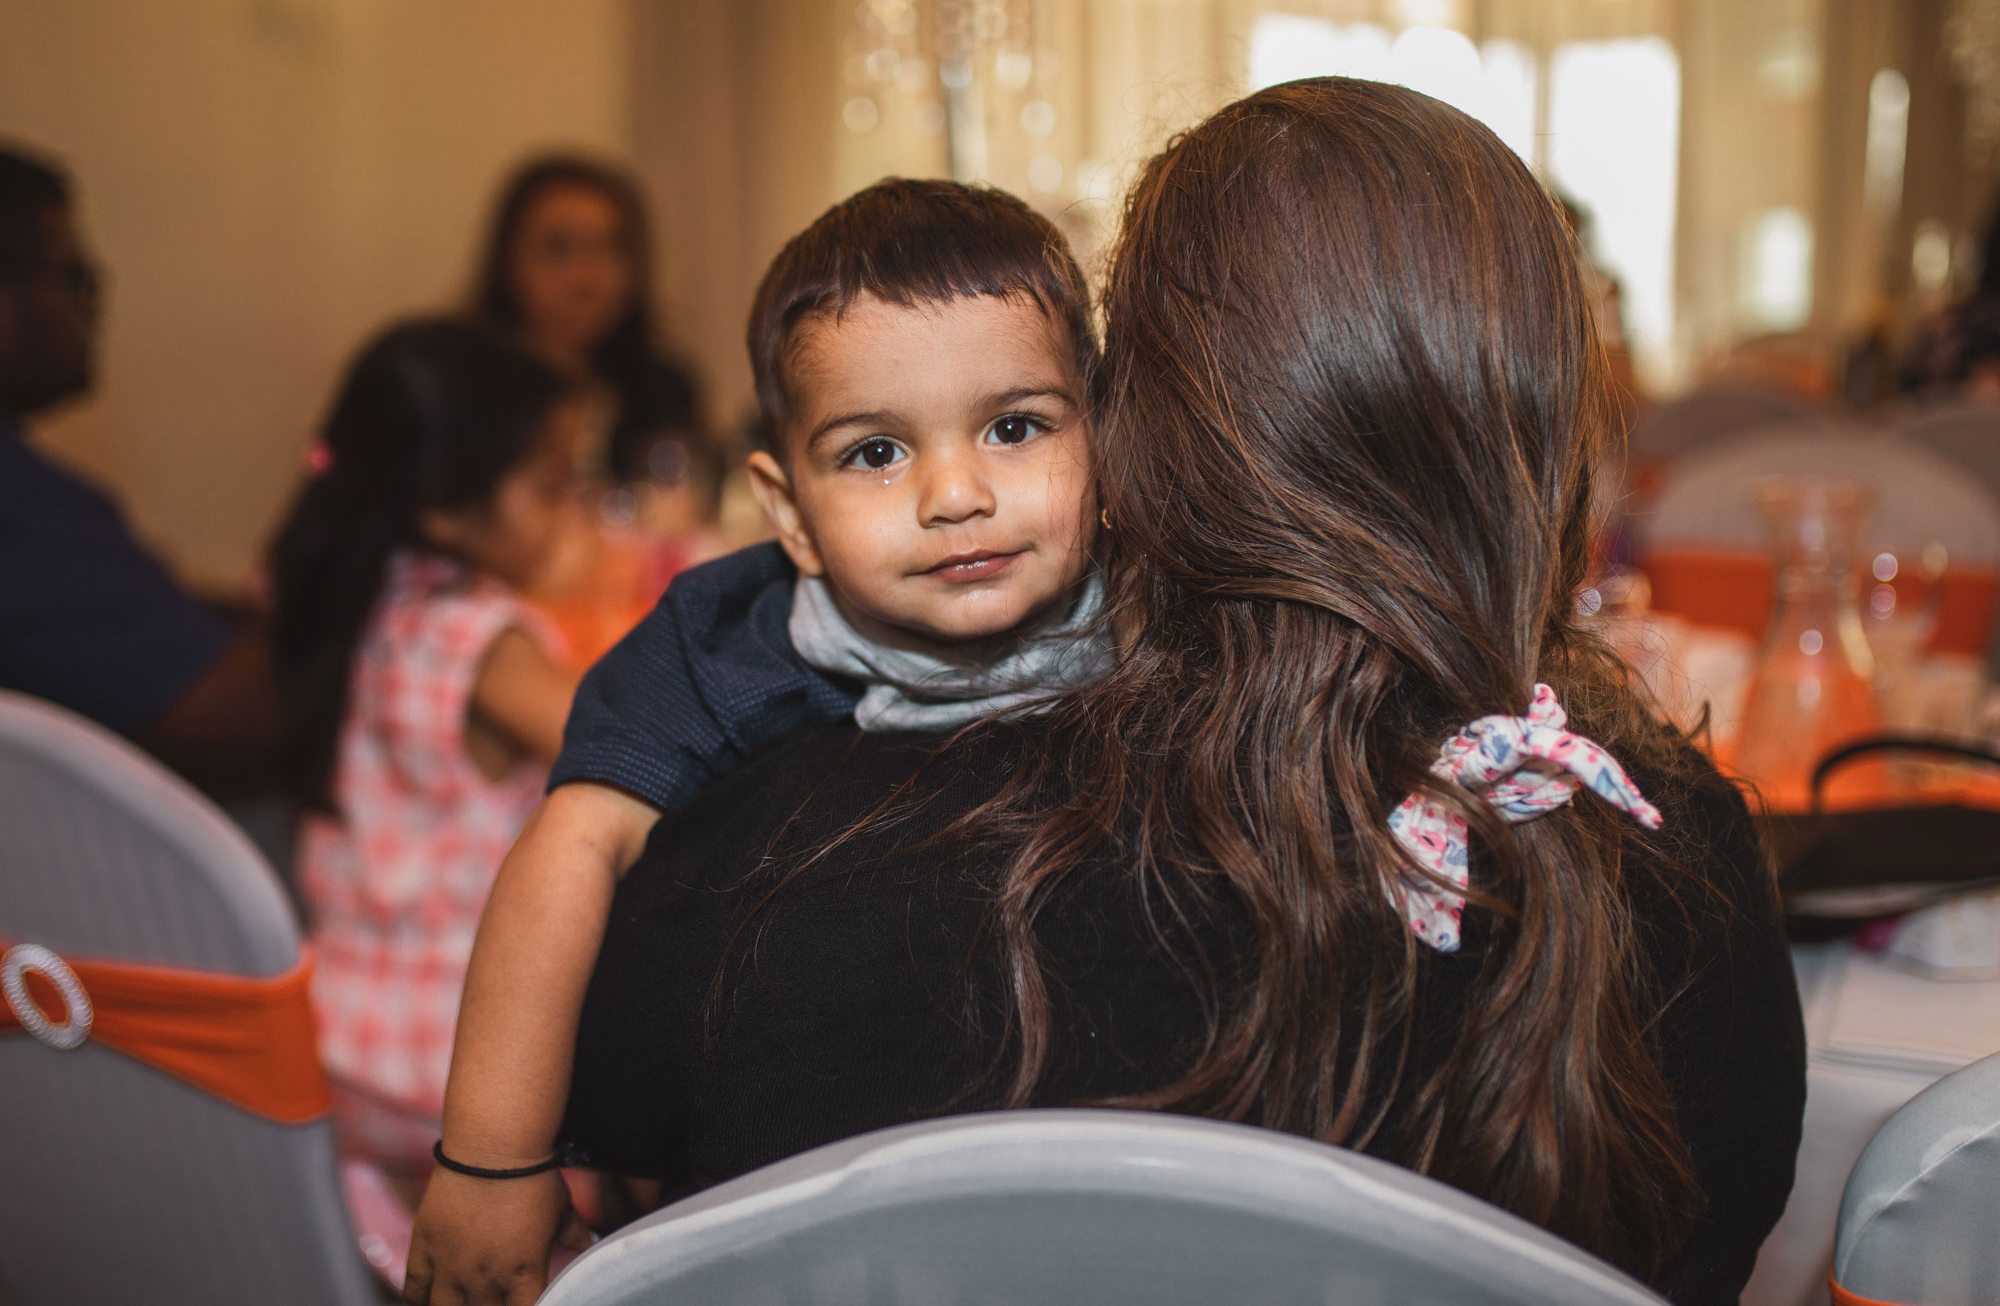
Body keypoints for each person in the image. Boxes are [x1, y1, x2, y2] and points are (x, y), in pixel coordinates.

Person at [541, 80, 1803, 1306]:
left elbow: (639, 1213)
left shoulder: (762, 857)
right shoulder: (1660, 853)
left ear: (1121, 424)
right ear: (1544, 416)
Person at [405, 178, 1104, 1304]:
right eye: (875, 453)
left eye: (1014, 427)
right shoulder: (729, 640)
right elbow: (571, 845)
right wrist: (492, 1156)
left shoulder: (1175, 602)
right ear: (786, 513)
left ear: (1104, 438)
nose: (956, 492)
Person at [267, 319, 583, 1162]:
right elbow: (635, 751)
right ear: (444, 507)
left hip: (337, 1047)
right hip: (463, 1073)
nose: (569, 512)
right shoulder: (479, 640)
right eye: (552, 487)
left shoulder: (353, 605)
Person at [0, 143, 280, 792]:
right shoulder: (20, 506)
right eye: (76, 276)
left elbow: (136, 614)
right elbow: (230, 722)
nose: (95, 303)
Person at [469, 153, 707, 487]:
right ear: (506, 260)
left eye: (609, 248)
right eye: (558, 249)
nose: (586, 278)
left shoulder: (662, 390)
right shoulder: (465, 391)